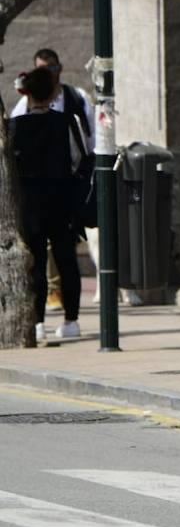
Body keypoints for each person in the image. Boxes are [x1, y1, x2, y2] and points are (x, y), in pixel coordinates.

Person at [7, 65, 86, 342]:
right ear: (53, 92)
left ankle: (37, 321)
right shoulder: (66, 122)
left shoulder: (14, 126)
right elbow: (79, 160)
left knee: (36, 261)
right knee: (66, 259)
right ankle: (71, 320)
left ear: (26, 94)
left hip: (30, 202)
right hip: (62, 198)